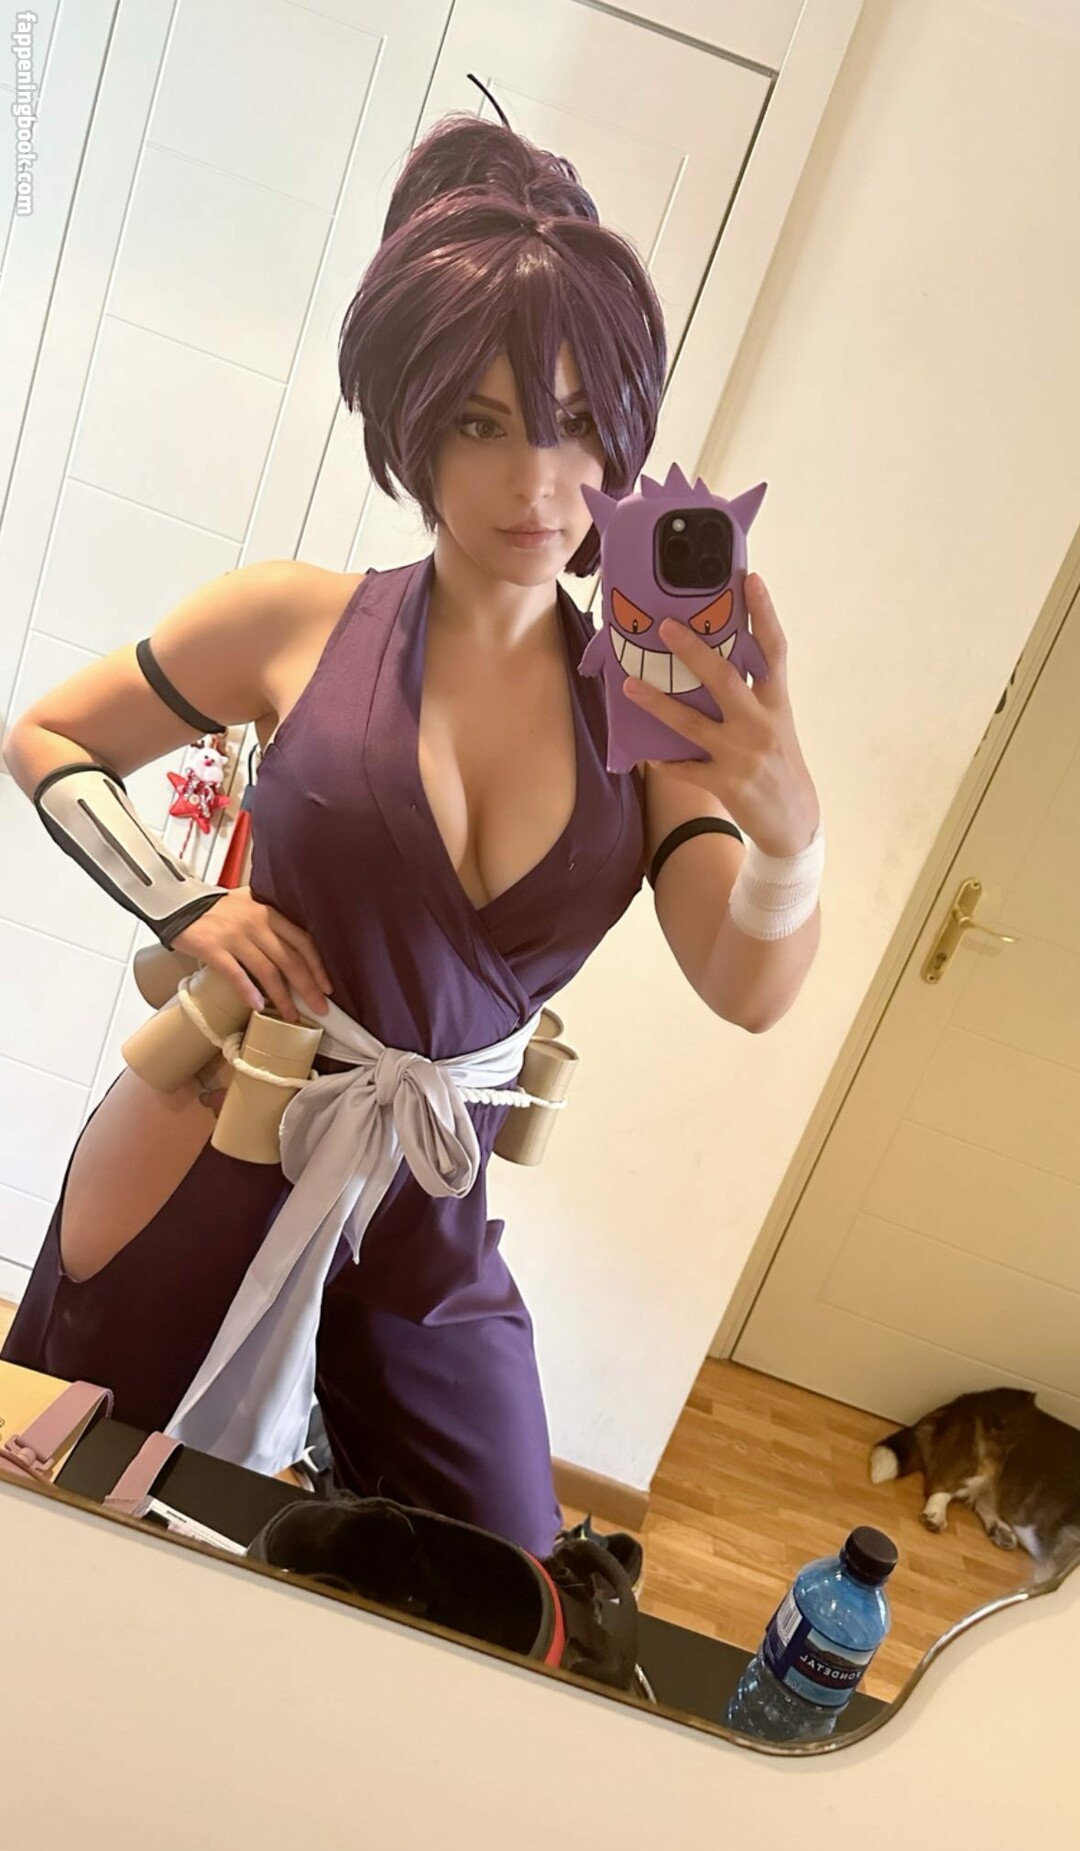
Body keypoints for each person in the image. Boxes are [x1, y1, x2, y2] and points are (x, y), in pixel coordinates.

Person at [0, 104, 822, 1559]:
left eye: (577, 425)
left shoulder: (644, 712)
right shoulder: (291, 619)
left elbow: (749, 987)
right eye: (481, 424)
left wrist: (790, 829)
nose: (537, 484)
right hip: (215, 1124)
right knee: (71, 1505)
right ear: (410, 421)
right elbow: (48, 739)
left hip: (427, 1205)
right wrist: (188, 905)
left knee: (493, 1585)